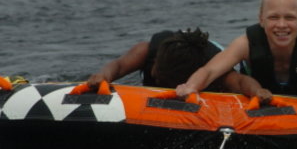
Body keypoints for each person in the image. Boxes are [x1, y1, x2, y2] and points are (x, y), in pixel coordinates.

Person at [86, 28, 269, 99]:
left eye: (161, 76)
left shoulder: (213, 70)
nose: (153, 74)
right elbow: (119, 65)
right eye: (155, 66)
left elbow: (240, 82)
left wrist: (257, 92)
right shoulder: (146, 50)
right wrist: (103, 76)